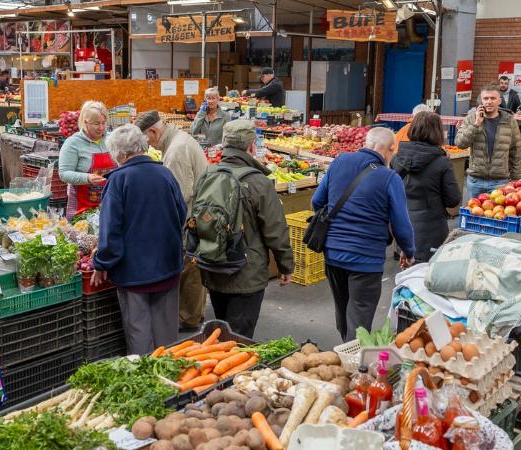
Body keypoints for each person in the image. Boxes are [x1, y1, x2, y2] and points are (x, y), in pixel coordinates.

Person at [311, 127, 415, 342]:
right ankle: (352, 365)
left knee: (343, 310)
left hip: (333, 254)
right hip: (365, 260)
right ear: (391, 148)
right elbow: (401, 224)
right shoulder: (389, 178)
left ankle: (344, 353)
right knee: (359, 317)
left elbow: (317, 201)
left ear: (367, 143)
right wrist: (408, 251)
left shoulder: (339, 162)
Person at [91, 125, 187, 355]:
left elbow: (110, 231)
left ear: (120, 154)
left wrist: (102, 264)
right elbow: (181, 213)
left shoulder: (118, 180)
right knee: (167, 334)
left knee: (139, 333)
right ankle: (171, 379)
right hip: (168, 266)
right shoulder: (165, 173)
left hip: (134, 274)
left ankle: (147, 382)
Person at [197, 120, 294, 338]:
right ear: (251, 147)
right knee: (240, 338)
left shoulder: (208, 174)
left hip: (213, 265)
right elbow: (275, 231)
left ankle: (218, 369)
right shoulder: (259, 182)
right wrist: (285, 266)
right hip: (246, 272)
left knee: (220, 331)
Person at [135, 110, 208, 331]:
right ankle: (194, 314)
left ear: (153, 131)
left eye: (146, 140)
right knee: (192, 269)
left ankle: (188, 319)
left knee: (189, 270)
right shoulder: (179, 141)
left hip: (190, 221)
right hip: (195, 217)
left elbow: (180, 195)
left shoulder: (176, 151)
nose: (147, 146)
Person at [391, 112, 462, 262]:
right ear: (437, 132)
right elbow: (453, 199)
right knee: (426, 277)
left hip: (402, 227)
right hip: (431, 230)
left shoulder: (397, 158)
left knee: (406, 275)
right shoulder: (442, 162)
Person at [455, 83, 521, 199]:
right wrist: (476, 124)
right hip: (476, 180)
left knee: (496, 216)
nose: (489, 101)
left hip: (500, 182)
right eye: (485, 98)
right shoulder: (471, 118)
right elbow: (460, 143)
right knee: (474, 215)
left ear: (499, 101)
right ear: (481, 100)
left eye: (493, 98)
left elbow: (516, 151)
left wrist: (516, 180)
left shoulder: (509, 120)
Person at [58, 101, 115, 220]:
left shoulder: (112, 140)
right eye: (96, 124)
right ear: (85, 122)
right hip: (83, 209)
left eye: (103, 123)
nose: (101, 128)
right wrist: (87, 178)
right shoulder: (73, 143)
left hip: (111, 205)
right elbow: (64, 173)